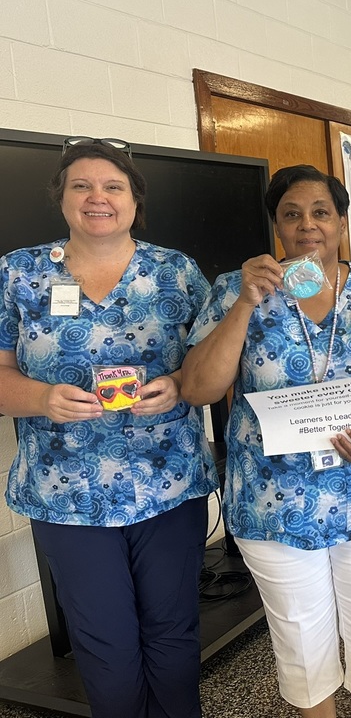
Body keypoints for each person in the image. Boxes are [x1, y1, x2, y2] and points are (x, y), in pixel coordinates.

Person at [180, 165, 351, 718]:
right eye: (291, 214)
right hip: (275, 504)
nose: (307, 225)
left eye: (320, 212)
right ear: (276, 226)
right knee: (299, 637)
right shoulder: (234, 290)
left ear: (342, 221)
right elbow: (199, 388)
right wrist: (245, 303)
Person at [0, 136, 217, 718]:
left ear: (134, 200)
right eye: (82, 186)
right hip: (66, 494)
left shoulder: (176, 273)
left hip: (168, 483)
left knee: (172, 634)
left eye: (112, 186)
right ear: (63, 198)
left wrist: (177, 382)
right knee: (106, 644)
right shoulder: (18, 275)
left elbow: (215, 362)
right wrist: (41, 397)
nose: (98, 197)